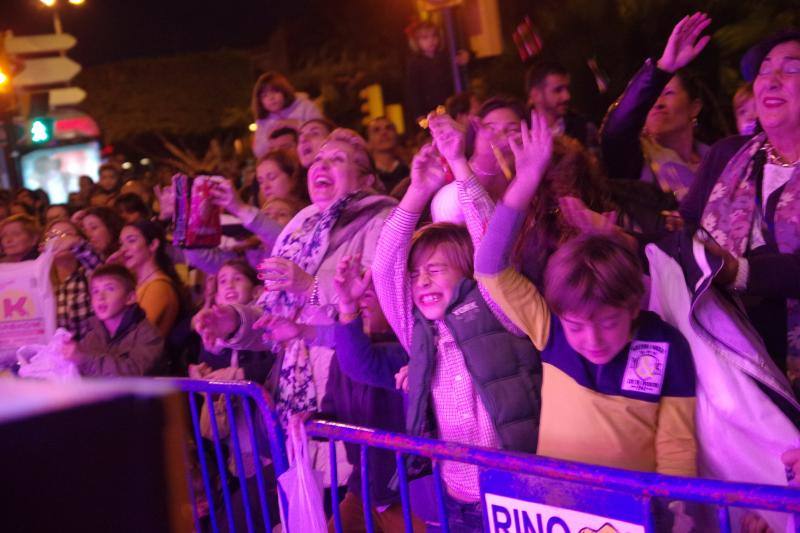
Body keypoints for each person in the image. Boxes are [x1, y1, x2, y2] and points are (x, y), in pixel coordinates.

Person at [474, 112, 696, 478]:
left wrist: (672, 511)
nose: (591, 339)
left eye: (608, 322)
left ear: (632, 305)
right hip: (558, 509)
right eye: (576, 325)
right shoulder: (550, 328)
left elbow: (677, 449)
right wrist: (527, 177)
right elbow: (489, 266)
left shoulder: (665, 344)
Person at [195, 128, 397, 487]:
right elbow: (275, 319)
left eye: (337, 160)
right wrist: (233, 321)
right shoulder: (299, 226)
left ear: (367, 178)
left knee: (353, 505)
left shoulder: (381, 221)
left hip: (351, 395)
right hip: (297, 398)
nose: (322, 165)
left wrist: (311, 286)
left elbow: (379, 315)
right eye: (319, 159)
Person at [372, 134, 540, 529]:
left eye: (435, 269)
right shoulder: (418, 331)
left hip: (516, 495)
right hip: (457, 500)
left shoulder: (497, 309)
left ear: (468, 271)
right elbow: (384, 267)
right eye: (415, 274)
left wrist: (459, 164)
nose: (422, 282)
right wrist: (416, 192)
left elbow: (489, 240)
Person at [264, 254, 422, 532]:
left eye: (370, 293)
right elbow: (336, 411)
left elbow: (364, 364)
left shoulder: (408, 351)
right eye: (356, 294)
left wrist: (346, 306)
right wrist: (313, 421)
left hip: (409, 493)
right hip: (364, 490)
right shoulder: (344, 354)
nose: (362, 300)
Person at [680, 28, 800, 376]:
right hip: (730, 370)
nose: (771, 81)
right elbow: (684, 236)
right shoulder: (727, 155)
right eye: (764, 70)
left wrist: (739, 271)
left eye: (791, 69)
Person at [601, 13, 712, 202]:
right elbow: (616, 130)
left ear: (694, 108)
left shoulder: (718, 159)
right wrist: (663, 68)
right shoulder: (635, 161)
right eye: (653, 96)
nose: (657, 104)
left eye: (668, 93)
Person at [430, 97, 526, 224]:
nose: (501, 136)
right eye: (490, 129)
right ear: (474, 139)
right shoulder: (451, 197)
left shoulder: (540, 190)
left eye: (512, 130)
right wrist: (485, 163)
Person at [64, 264, 164, 376]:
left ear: (130, 298)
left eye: (110, 289)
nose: (100, 297)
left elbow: (133, 373)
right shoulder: (91, 336)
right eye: (95, 291)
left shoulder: (149, 336)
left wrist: (84, 360)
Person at [110, 220, 182, 339]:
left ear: (153, 245)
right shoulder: (139, 283)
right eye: (121, 244)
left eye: (131, 241)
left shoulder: (158, 287)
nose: (123, 250)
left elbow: (134, 336)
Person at [43, 219, 99, 340]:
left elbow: (97, 266)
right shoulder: (42, 281)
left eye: (67, 235)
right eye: (52, 236)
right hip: (52, 355)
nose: (59, 240)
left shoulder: (87, 274)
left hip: (88, 353)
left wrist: (76, 243)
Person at [404, 20, 467, 127]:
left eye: (434, 36)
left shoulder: (446, 57)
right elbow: (413, 91)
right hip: (430, 109)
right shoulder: (415, 64)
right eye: (425, 38)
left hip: (450, 105)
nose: (431, 41)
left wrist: (464, 58)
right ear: (416, 42)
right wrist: (419, 114)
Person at [526, 60, 599, 151]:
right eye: (558, 90)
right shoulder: (522, 134)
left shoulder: (583, 127)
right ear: (536, 95)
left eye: (567, 89)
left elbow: (596, 163)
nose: (567, 96)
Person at [251, 72, 324, 159]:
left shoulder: (304, 106)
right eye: (264, 96)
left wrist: (297, 124)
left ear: (284, 91)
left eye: (275, 92)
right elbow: (259, 153)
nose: (271, 98)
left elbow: (321, 130)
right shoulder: (263, 122)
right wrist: (268, 136)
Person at [366, 117, 410, 193]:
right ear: (369, 141)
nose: (384, 133)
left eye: (389, 128)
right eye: (376, 130)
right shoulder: (368, 175)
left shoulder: (409, 170)